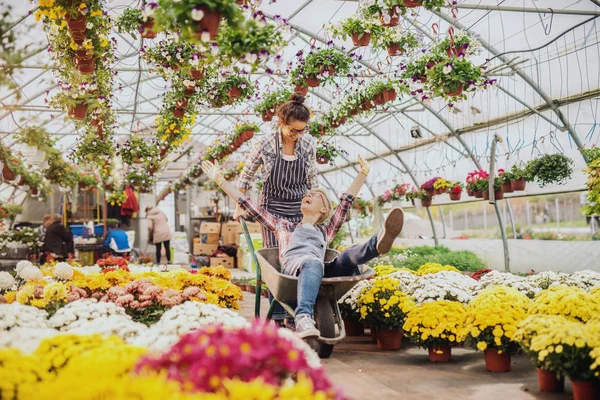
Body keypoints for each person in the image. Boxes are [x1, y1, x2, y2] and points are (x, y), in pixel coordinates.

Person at [202, 156, 405, 339]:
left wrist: (362, 174)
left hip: (318, 270)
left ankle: (377, 244)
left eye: (316, 196)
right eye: (307, 194)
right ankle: (303, 317)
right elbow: (246, 203)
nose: (309, 195)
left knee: (345, 257)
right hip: (294, 268)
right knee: (314, 261)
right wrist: (220, 180)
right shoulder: (282, 225)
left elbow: (345, 202)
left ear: (324, 209)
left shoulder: (325, 230)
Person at [234, 92, 319, 322]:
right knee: (277, 258)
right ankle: (280, 313)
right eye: (293, 130)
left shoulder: (309, 143)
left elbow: (312, 178)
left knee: (299, 255)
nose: (298, 135)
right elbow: (246, 176)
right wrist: (239, 206)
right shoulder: (266, 143)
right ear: (282, 122)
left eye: (302, 130)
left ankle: (300, 310)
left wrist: (317, 205)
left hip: (300, 207)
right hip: (272, 206)